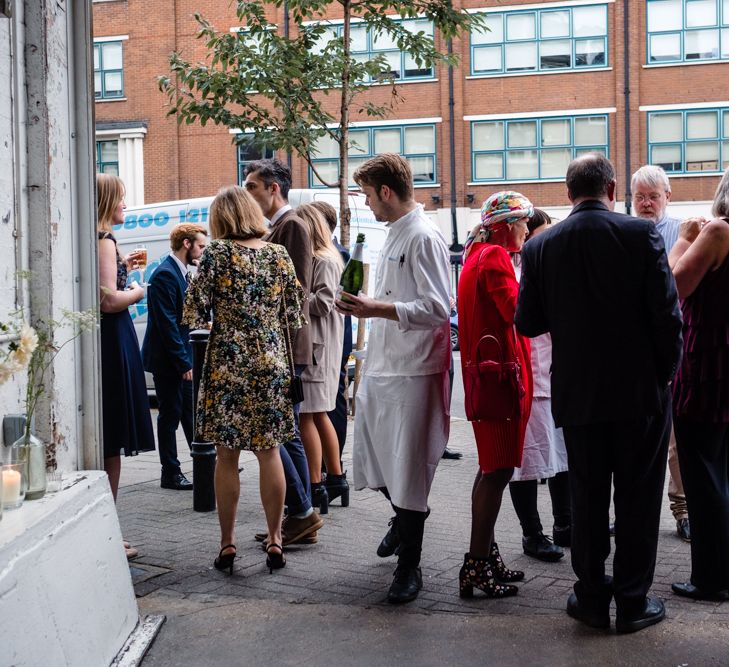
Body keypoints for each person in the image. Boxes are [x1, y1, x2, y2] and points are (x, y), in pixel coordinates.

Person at [516, 154, 683, 634]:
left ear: (570, 194)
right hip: (640, 396)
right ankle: (632, 602)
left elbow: (528, 322)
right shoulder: (641, 234)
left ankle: (590, 598)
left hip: (579, 394)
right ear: (612, 188)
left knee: (588, 497)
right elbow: (667, 318)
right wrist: (664, 376)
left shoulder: (541, 246)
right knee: (639, 497)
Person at [335, 154, 451, 603]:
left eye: (366, 194)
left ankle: (410, 565)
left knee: (407, 466)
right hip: (384, 364)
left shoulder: (423, 237)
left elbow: (440, 308)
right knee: (373, 457)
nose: (366, 204)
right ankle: (403, 521)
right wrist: (366, 303)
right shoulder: (392, 236)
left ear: (385, 191)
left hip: (415, 369)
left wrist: (375, 308)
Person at [183, 185, 304, 575]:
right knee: (270, 452)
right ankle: (275, 539)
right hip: (271, 361)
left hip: (228, 363)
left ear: (221, 219)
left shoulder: (216, 253)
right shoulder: (278, 254)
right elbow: (295, 314)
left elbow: (195, 311)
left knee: (226, 455)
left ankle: (228, 543)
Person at [457, 191, 534, 600]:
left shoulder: (476, 254)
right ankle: (475, 565)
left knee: (490, 470)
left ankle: (484, 556)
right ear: (506, 225)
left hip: (486, 379)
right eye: (523, 221)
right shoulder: (496, 257)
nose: (527, 228)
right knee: (496, 472)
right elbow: (517, 313)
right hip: (499, 384)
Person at [244, 159, 323, 543]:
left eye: (253, 186)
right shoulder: (277, 227)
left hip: (286, 349)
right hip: (283, 348)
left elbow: (296, 292)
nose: (248, 194)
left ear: (273, 188)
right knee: (286, 432)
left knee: (279, 434)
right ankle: (300, 514)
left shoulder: (291, 226)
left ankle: (303, 513)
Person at [668, 169, 729, 601]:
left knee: (702, 474)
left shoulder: (720, 232)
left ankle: (710, 579)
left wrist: (685, 237)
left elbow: (676, 283)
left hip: (709, 366)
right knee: (721, 472)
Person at [96, 173, 155, 560]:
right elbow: (108, 300)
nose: (125, 207)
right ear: (107, 202)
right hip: (114, 336)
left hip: (113, 338)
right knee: (113, 439)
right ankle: (107, 532)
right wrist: (137, 289)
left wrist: (122, 263)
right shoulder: (104, 239)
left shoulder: (103, 241)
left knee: (111, 437)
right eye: (120, 200)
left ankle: (107, 528)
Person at [632, 164, 690, 542]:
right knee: (635, 441)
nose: (647, 203)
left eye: (654, 196)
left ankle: (683, 512)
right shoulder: (625, 231)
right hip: (635, 352)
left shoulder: (684, 232)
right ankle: (633, 516)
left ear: (667, 196)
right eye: (640, 197)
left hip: (673, 347)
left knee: (676, 442)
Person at [509, 209, 570, 563]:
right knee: (528, 459)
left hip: (556, 372)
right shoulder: (516, 270)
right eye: (540, 232)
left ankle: (566, 523)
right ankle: (532, 533)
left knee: (562, 454)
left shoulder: (553, 267)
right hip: (529, 373)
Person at [142, 223, 207, 491]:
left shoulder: (182, 273)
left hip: (181, 358)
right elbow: (168, 323)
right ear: (187, 244)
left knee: (190, 411)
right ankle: (170, 472)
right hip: (168, 361)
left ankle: (206, 460)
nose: (203, 252)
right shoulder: (165, 275)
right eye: (201, 246)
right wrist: (183, 362)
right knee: (169, 415)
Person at [295, 203, 348, 512]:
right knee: (319, 414)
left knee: (308, 416)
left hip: (317, 348)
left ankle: (316, 484)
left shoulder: (324, 260)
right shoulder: (324, 257)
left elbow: (323, 303)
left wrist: (293, 291)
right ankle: (336, 479)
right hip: (320, 346)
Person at [309, 200, 352, 474]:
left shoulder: (334, 255)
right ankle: (331, 472)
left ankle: (330, 470)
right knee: (327, 405)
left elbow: (328, 302)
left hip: (330, 339)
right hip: (330, 337)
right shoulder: (333, 253)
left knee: (330, 403)